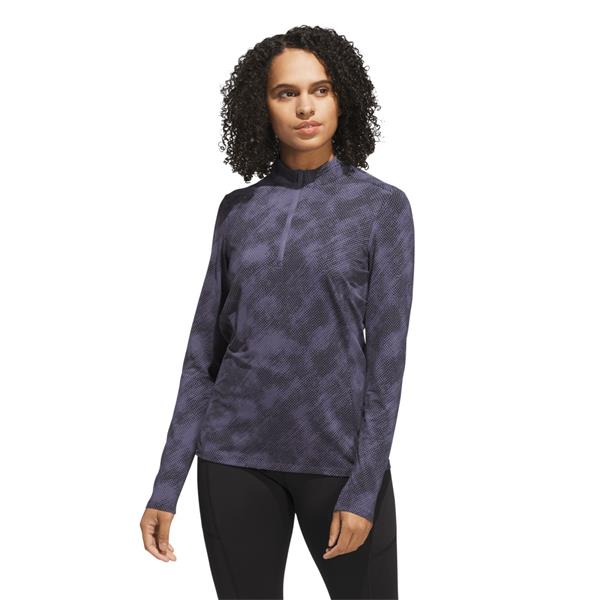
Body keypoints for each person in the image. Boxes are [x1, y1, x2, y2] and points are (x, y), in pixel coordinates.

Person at [140, 25, 415, 600]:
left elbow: (387, 364)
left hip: (337, 461)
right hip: (234, 459)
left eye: (320, 90)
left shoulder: (381, 208)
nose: (305, 107)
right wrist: (167, 484)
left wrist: (364, 486)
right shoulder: (238, 211)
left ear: (343, 99)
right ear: (261, 107)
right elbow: (202, 357)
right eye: (286, 93)